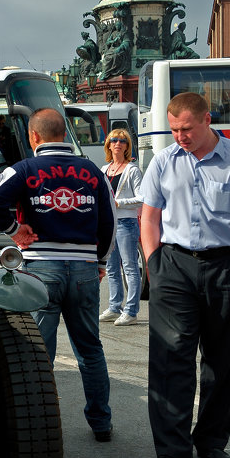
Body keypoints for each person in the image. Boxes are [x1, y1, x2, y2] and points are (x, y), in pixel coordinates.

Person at [139, 92, 230, 458]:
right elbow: (149, 216)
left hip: (226, 266)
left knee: (220, 360)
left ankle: (211, 442)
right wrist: (154, 263)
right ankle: (173, 452)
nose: (179, 136)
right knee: (171, 358)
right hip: (174, 266)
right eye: (173, 130)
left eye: (186, 128)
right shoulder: (163, 162)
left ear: (207, 120)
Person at [0, 108, 117, 442]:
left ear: (34, 136)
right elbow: (110, 221)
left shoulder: (25, 169)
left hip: (41, 268)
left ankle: (38, 425)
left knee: (40, 352)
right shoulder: (92, 171)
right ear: (65, 133)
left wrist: (15, 230)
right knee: (90, 349)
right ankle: (101, 423)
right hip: (85, 269)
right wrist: (99, 261)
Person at [99, 129, 144, 325]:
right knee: (111, 267)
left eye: (122, 141)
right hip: (109, 224)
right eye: (114, 140)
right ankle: (114, 306)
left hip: (126, 223)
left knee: (130, 268)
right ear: (108, 145)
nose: (118, 143)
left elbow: (142, 198)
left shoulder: (132, 169)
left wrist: (119, 203)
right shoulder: (103, 169)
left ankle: (131, 311)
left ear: (127, 146)